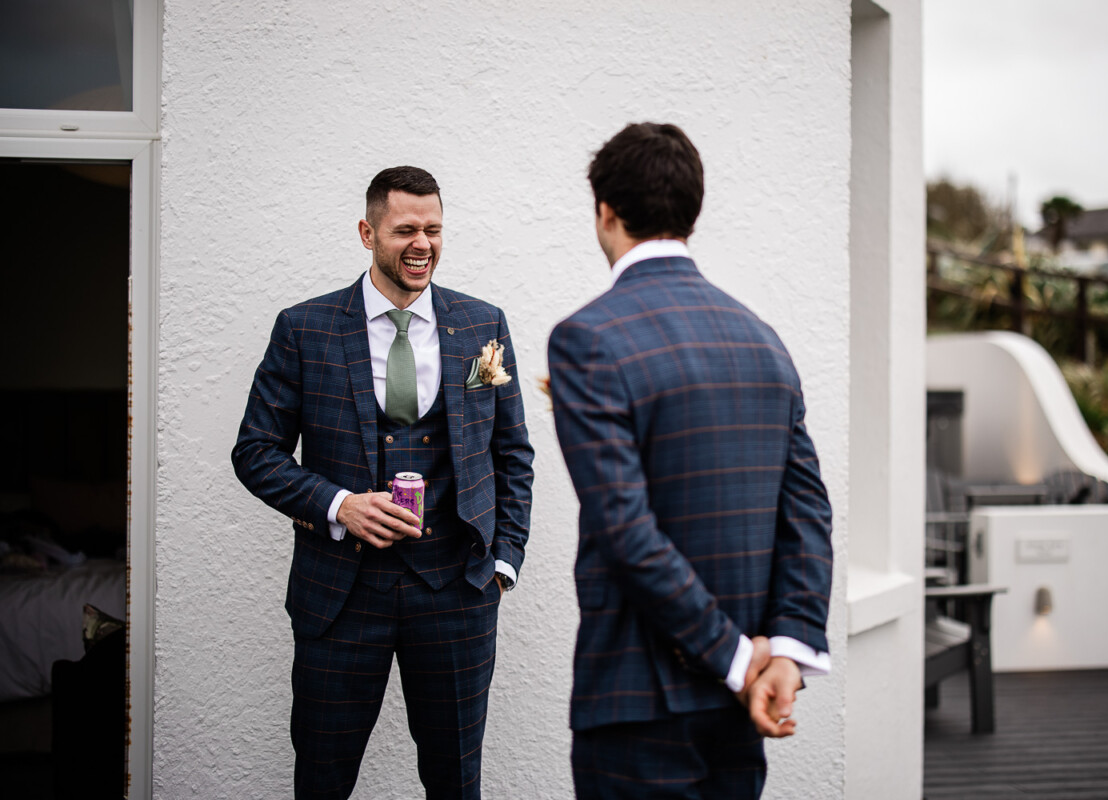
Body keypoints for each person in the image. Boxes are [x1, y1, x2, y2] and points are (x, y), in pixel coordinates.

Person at [548, 123, 834, 799]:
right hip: (741, 712)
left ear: (606, 213)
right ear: (691, 213)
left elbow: (626, 528)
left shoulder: (588, 338)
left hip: (639, 702)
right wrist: (784, 655)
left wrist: (738, 660)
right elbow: (809, 513)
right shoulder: (762, 339)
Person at [232, 166, 534, 800]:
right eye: (404, 230)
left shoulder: (483, 324)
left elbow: (512, 453)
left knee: (455, 779)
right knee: (322, 776)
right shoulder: (305, 328)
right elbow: (256, 452)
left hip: (457, 588)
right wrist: (339, 504)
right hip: (340, 594)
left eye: (433, 229)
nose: (421, 244)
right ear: (368, 232)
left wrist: (504, 560)